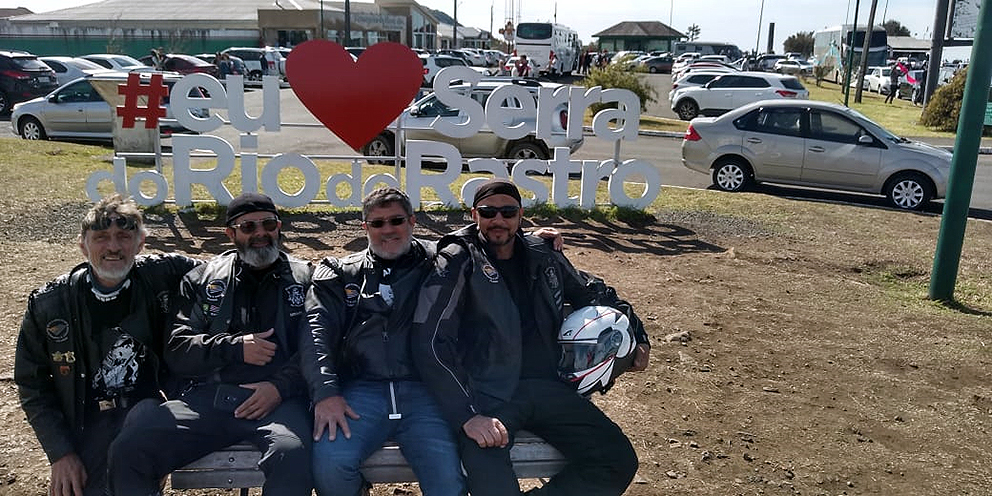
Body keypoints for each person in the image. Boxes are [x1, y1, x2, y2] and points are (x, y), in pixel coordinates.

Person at [412, 179, 651, 496]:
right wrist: (466, 416)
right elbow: (430, 341)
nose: (498, 220)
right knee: (491, 482)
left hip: (549, 388)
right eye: (488, 212)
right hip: (488, 397)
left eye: (508, 212)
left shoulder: (543, 253)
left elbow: (595, 293)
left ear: (521, 215)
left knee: (616, 459)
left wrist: (638, 334)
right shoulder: (458, 259)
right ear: (474, 214)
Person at [108, 192, 314, 496]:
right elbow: (177, 349)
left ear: (279, 227)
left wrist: (280, 387)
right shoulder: (202, 279)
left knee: (291, 454)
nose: (260, 233)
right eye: (248, 227)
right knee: (130, 447)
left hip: (279, 402)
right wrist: (233, 347)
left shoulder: (306, 278)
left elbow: (320, 348)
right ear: (230, 234)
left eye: (268, 224)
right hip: (210, 399)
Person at [14, 194, 200, 496]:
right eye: (101, 237)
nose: (113, 247)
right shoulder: (50, 304)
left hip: (146, 412)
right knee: (75, 486)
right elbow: (31, 383)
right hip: (84, 421)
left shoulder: (162, 274)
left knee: (132, 460)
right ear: (83, 245)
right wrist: (61, 453)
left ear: (140, 244)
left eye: (124, 237)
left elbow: (225, 272)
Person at [301, 187, 465, 496]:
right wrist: (326, 393)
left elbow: (486, 236)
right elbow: (315, 334)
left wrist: (537, 240)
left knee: (447, 477)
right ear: (365, 227)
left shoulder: (439, 261)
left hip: (426, 389)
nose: (388, 230)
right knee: (331, 465)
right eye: (377, 223)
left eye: (396, 220)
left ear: (412, 221)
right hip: (361, 391)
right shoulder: (340, 272)